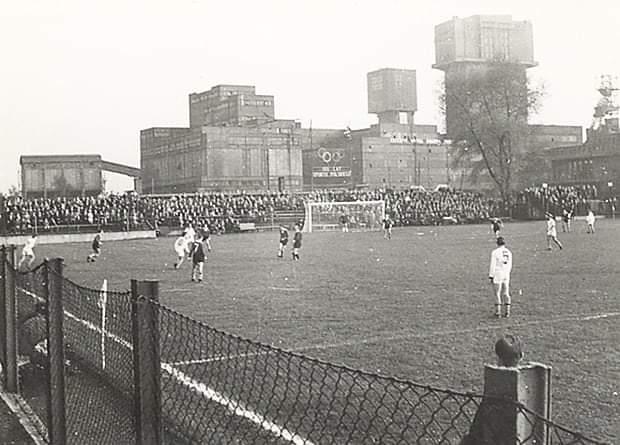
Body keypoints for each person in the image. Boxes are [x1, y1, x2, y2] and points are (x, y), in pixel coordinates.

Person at [489, 237, 513, 318]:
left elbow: (493, 265)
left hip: (498, 273)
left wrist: (491, 276)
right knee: (506, 292)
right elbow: (510, 265)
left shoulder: (495, 252)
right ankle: (507, 312)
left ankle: (498, 312)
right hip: (506, 273)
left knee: (497, 293)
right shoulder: (509, 252)